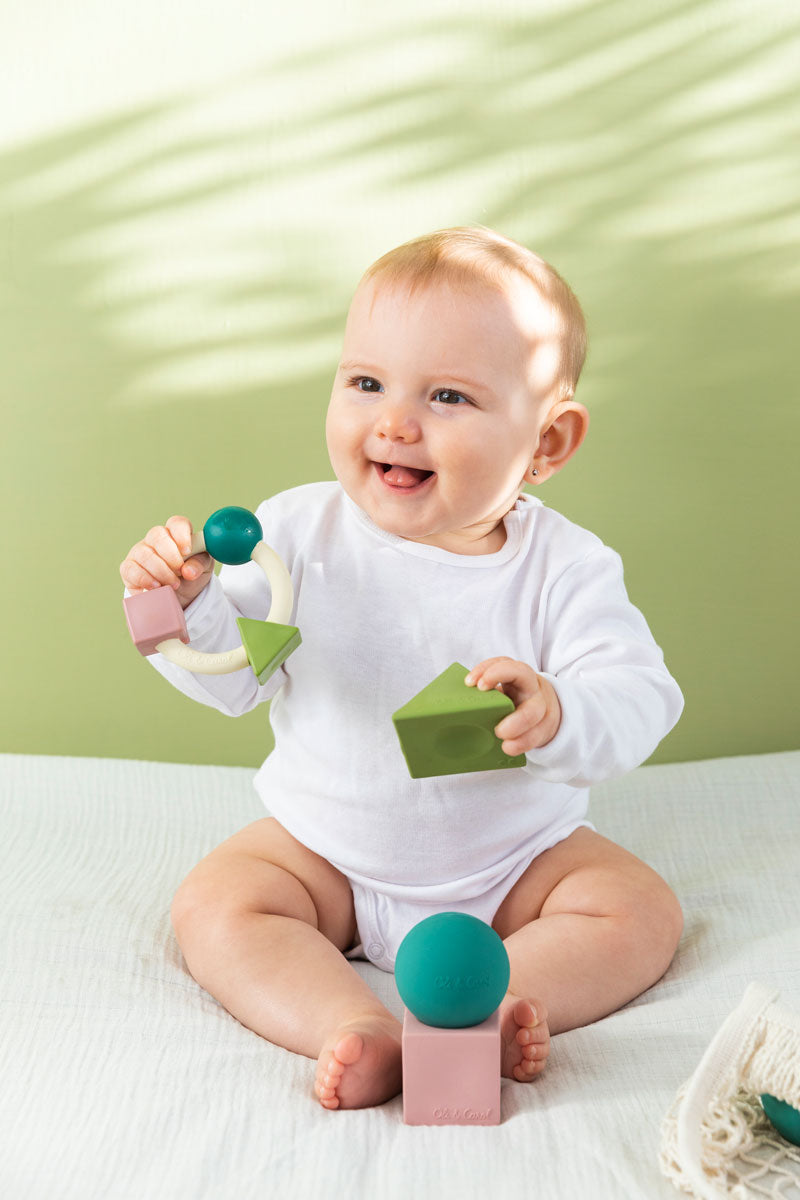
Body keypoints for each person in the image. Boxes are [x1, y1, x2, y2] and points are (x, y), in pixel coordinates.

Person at [120, 225, 684, 1112]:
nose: (394, 421)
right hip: (328, 857)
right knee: (218, 903)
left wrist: (560, 710)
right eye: (366, 382)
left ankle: (480, 1012)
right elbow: (233, 679)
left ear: (548, 442)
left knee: (637, 910)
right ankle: (356, 1027)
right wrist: (185, 605)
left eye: (449, 395)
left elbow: (643, 696)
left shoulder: (565, 569)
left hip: (511, 871)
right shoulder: (298, 538)